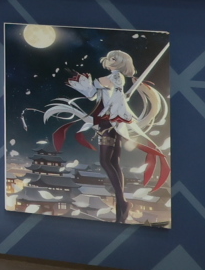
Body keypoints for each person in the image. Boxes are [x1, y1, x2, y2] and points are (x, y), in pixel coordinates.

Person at [36, 47, 170, 225]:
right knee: (114, 162)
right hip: (114, 121)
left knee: (106, 161)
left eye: (113, 59)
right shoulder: (115, 79)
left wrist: (82, 81)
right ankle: (122, 203)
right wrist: (83, 83)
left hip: (109, 123)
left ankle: (122, 202)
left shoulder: (113, 77)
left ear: (121, 63)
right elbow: (93, 95)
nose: (109, 60)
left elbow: (95, 89)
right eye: (110, 58)